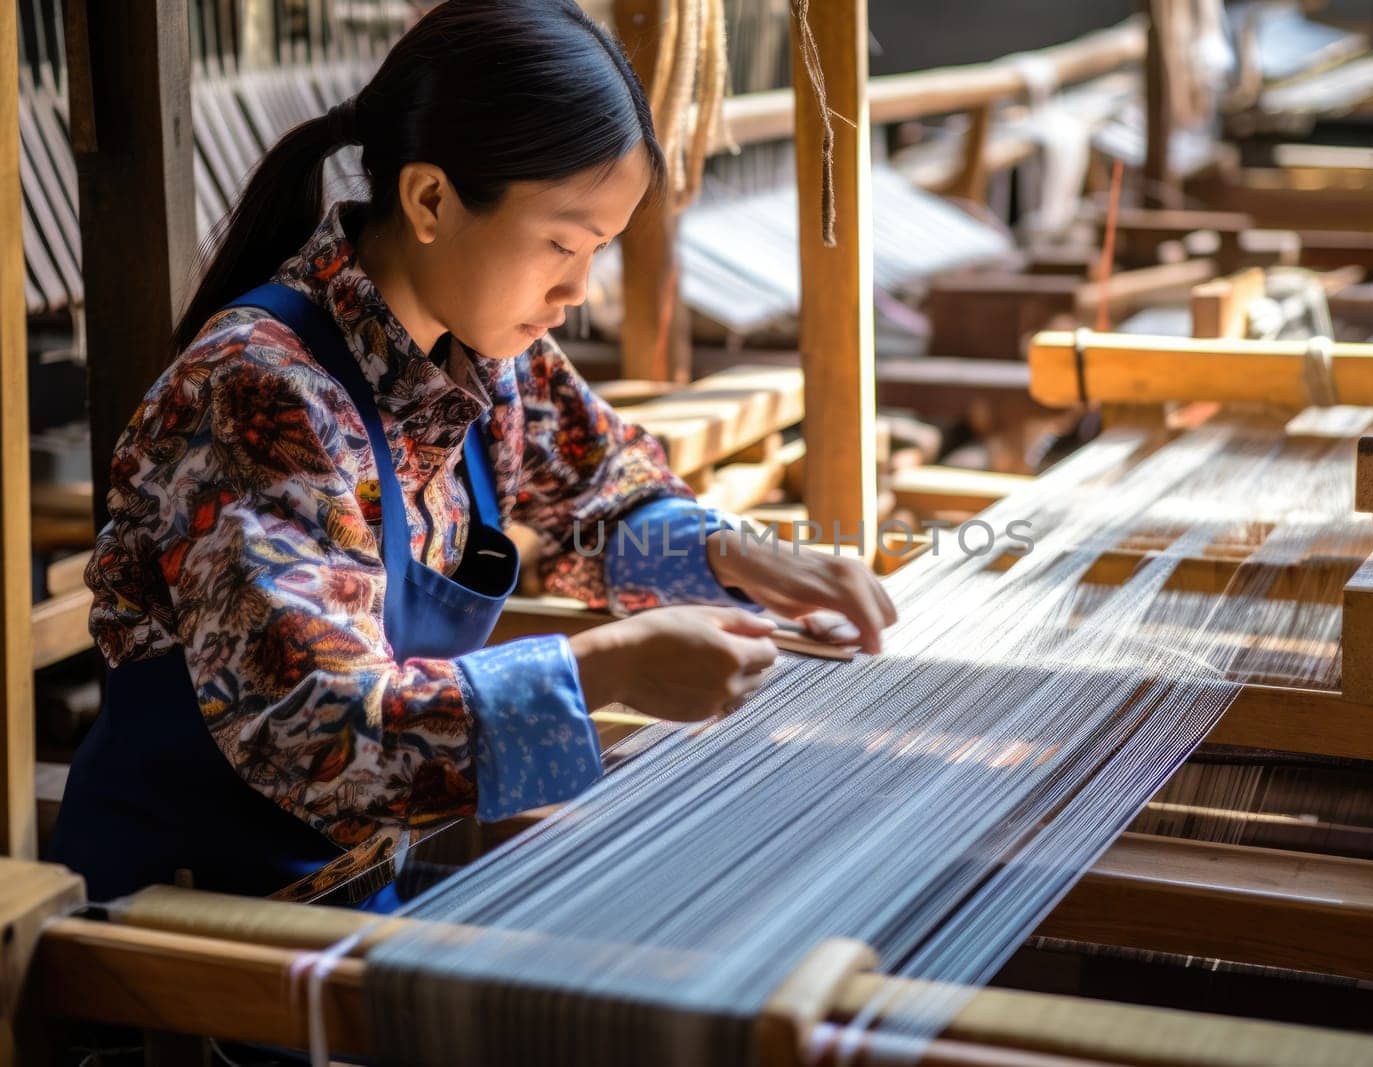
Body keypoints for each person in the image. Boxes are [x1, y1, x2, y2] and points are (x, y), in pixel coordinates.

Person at [50, 0, 895, 909]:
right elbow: (322, 734)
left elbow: (597, 492)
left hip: (349, 904)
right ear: (430, 200)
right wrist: (605, 669)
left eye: (599, 249)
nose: (578, 289)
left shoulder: (490, 364)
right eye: (563, 244)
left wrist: (746, 557)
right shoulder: (259, 394)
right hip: (180, 939)